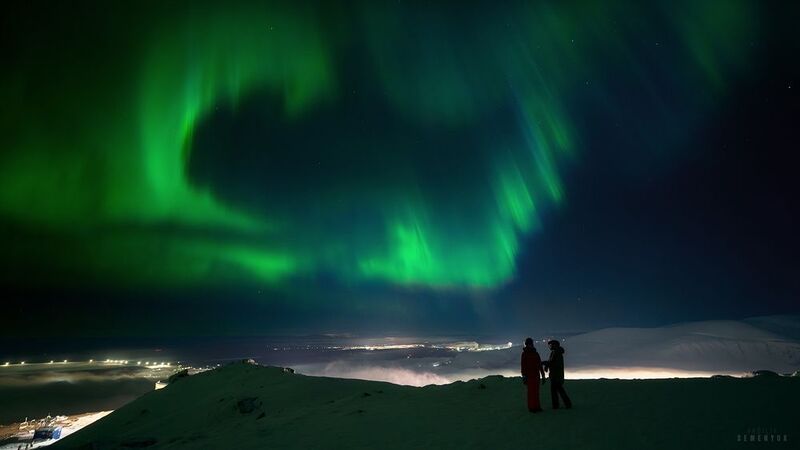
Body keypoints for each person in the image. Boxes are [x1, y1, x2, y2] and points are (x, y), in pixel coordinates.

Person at [543, 339, 572, 409]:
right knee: (556, 391)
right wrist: (547, 365)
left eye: (551, 345)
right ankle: (559, 404)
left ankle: (563, 404)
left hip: (556, 376)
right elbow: (551, 362)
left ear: (555, 345)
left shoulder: (557, 353)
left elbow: (555, 364)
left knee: (557, 391)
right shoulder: (554, 352)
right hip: (554, 375)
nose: (550, 346)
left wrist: (546, 364)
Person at [520, 337, 546, 412]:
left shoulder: (531, 353)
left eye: (530, 344)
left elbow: (539, 364)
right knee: (532, 392)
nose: (530, 345)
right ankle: (532, 407)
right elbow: (523, 365)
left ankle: (536, 406)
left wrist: (543, 375)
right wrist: (524, 376)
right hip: (530, 376)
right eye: (529, 344)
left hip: (535, 375)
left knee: (535, 392)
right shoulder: (527, 353)